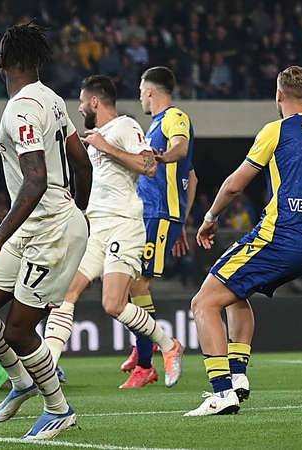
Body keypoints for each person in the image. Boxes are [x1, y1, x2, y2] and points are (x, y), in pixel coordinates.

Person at [185, 65, 302, 416]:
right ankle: (238, 375)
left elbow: (235, 184)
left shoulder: (276, 130)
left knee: (203, 303)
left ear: (278, 96)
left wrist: (210, 217)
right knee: (235, 293)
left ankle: (221, 393)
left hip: (277, 235)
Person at [0, 21, 92, 440]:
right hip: (36, 225)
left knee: (18, 328)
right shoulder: (51, 99)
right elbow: (81, 162)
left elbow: (35, 180)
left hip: (50, 230)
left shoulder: (21, 109)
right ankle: (22, 380)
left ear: (4, 60)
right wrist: (81, 207)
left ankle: (59, 409)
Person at [43, 75, 183, 389]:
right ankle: (46, 372)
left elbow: (149, 166)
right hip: (98, 230)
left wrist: (106, 147)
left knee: (114, 305)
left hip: (125, 226)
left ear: (95, 101)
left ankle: (170, 345)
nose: (79, 108)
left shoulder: (124, 126)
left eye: (81, 102)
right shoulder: (95, 136)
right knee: (65, 294)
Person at [114, 66, 197, 388]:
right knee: (125, 283)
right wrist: (184, 222)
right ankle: (142, 345)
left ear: (149, 91)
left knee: (137, 285)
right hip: (154, 213)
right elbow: (193, 176)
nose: (139, 98)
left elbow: (180, 149)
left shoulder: (174, 117)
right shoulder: (154, 126)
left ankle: (146, 361)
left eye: (140, 91)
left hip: (159, 213)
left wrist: (162, 159)